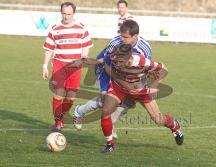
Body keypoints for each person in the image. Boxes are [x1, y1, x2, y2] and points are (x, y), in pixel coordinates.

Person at [73, 20, 152, 137]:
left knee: (127, 101)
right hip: (106, 68)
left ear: (135, 36)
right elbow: (105, 64)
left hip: (124, 73)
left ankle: (111, 122)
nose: (122, 39)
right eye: (121, 36)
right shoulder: (115, 43)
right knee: (106, 100)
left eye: (126, 37)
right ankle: (79, 111)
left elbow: (146, 68)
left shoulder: (144, 49)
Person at [100, 44, 184, 153]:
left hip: (140, 91)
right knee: (106, 111)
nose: (116, 64)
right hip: (118, 88)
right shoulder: (113, 58)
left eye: (120, 62)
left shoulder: (142, 62)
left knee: (158, 120)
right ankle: (110, 144)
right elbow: (107, 66)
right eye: (115, 61)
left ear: (128, 58)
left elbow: (164, 69)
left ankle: (173, 125)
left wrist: (153, 86)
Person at [42, 2, 93, 131]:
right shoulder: (55, 28)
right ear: (61, 13)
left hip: (75, 67)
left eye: (69, 14)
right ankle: (58, 122)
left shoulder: (81, 28)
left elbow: (86, 46)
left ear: (74, 13)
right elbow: (49, 48)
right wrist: (45, 66)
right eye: (64, 14)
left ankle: (62, 116)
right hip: (59, 65)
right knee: (58, 95)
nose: (66, 17)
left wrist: (82, 59)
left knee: (70, 98)